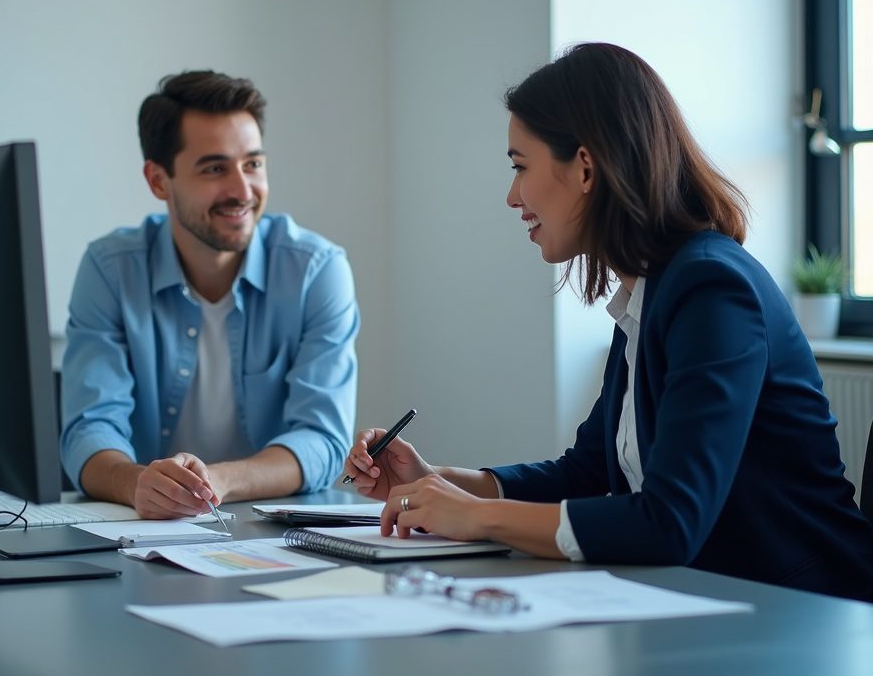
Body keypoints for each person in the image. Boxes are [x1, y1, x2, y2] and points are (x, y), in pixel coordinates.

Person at [344, 43, 873, 601]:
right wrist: (442, 483)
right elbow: (590, 474)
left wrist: (478, 517)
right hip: (708, 605)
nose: (511, 196)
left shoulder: (712, 290)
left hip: (806, 615)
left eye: (520, 167)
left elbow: (670, 522)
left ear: (586, 167)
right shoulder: (651, 292)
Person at [62, 70, 359, 519]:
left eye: (253, 164)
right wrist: (138, 484)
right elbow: (88, 429)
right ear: (159, 180)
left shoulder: (316, 271)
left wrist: (213, 483)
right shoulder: (110, 270)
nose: (243, 191)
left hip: (273, 534)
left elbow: (321, 439)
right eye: (215, 168)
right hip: (140, 531)